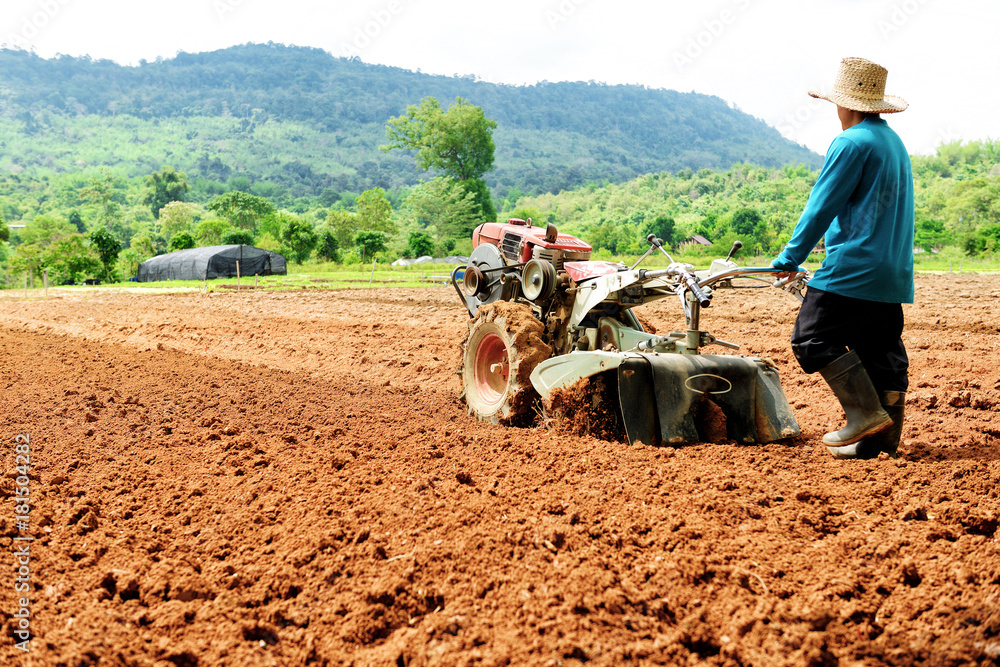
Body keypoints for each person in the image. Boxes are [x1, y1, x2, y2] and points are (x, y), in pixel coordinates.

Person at [772, 57, 914, 460]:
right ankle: (880, 443)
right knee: (880, 350)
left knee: (812, 338)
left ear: (845, 104)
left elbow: (822, 205)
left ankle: (864, 415)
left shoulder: (851, 142)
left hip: (854, 267)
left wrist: (789, 257)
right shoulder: (892, 142)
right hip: (892, 273)